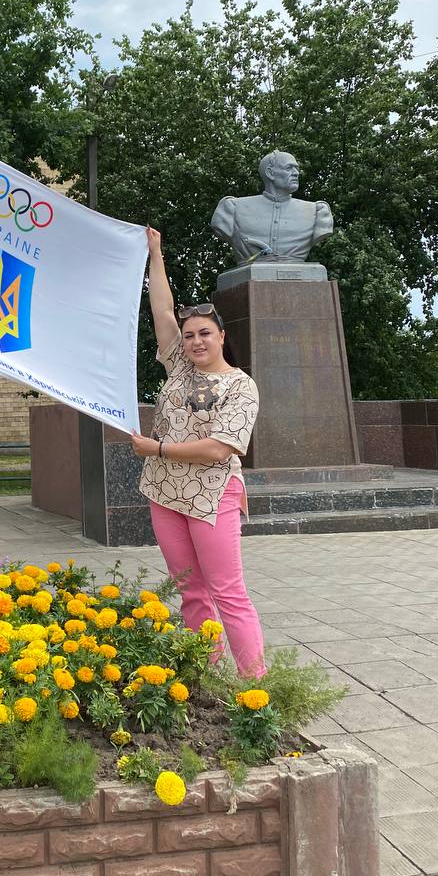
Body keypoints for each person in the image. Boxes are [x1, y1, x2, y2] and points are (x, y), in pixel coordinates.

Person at [130, 228, 265, 677]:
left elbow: (218, 449)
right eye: (189, 336)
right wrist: (155, 253)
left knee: (227, 591)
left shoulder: (240, 385)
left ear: (221, 335)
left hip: (211, 498)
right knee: (190, 591)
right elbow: (162, 308)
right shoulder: (179, 365)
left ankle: (255, 687)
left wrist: (158, 448)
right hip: (165, 495)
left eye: (204, 333)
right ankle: (204, 674)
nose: (195, 342)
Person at [210, 149, 333, 265]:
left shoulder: (317, 212)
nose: (296, 173)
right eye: (289, 168)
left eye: (296, 168)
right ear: (270, 173)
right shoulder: (232, 208)